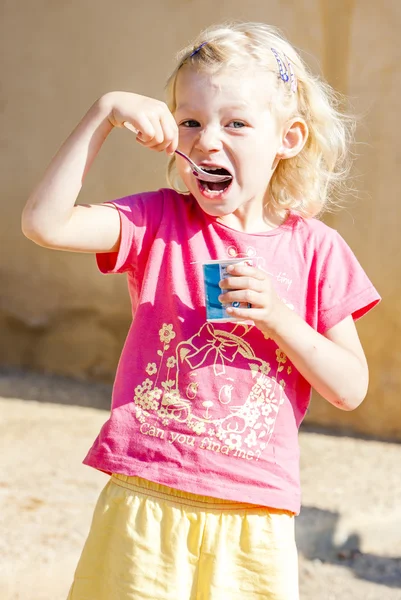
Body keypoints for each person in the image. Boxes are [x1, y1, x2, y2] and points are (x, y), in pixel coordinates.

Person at [22, 21, 380, 600]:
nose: (208, 140)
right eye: (191, 122)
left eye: (236, 123)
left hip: (255, 516)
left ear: (287, 138)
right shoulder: (156, 222)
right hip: (146, 498)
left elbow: (351, 387)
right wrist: (104, 112)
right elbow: (44, 224)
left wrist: (279, 316)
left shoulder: (318, 250)